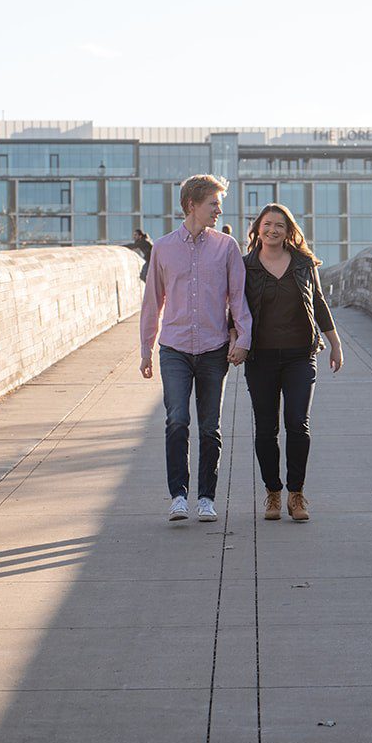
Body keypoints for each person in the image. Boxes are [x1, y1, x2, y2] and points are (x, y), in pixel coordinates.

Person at [139, 176, 252, 522]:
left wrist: (242, 339)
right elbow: (152, 302)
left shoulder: (227, 246)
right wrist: (146, 349)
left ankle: (206, 497)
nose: (219, 210)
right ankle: (178, 496)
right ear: (192, 204)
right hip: (173, 348)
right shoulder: (163, 247)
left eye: (219, 204)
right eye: (213, 203)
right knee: (176, 421)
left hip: (214, 349)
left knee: (210, 426)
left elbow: (238, 298)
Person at [239, 203, 342, 522]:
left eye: (279, 226)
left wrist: (335, 342)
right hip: (261, 358)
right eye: (267, 224)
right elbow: (234, 308)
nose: (272, 230)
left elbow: (320, 302)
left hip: (301, 355)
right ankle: (273, 493)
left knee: (297, 423)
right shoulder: (245, 266)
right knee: (266, 429)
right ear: (257, 229)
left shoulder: (303, 263)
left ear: (289, 231)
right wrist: (233, 338)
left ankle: (296, 495)